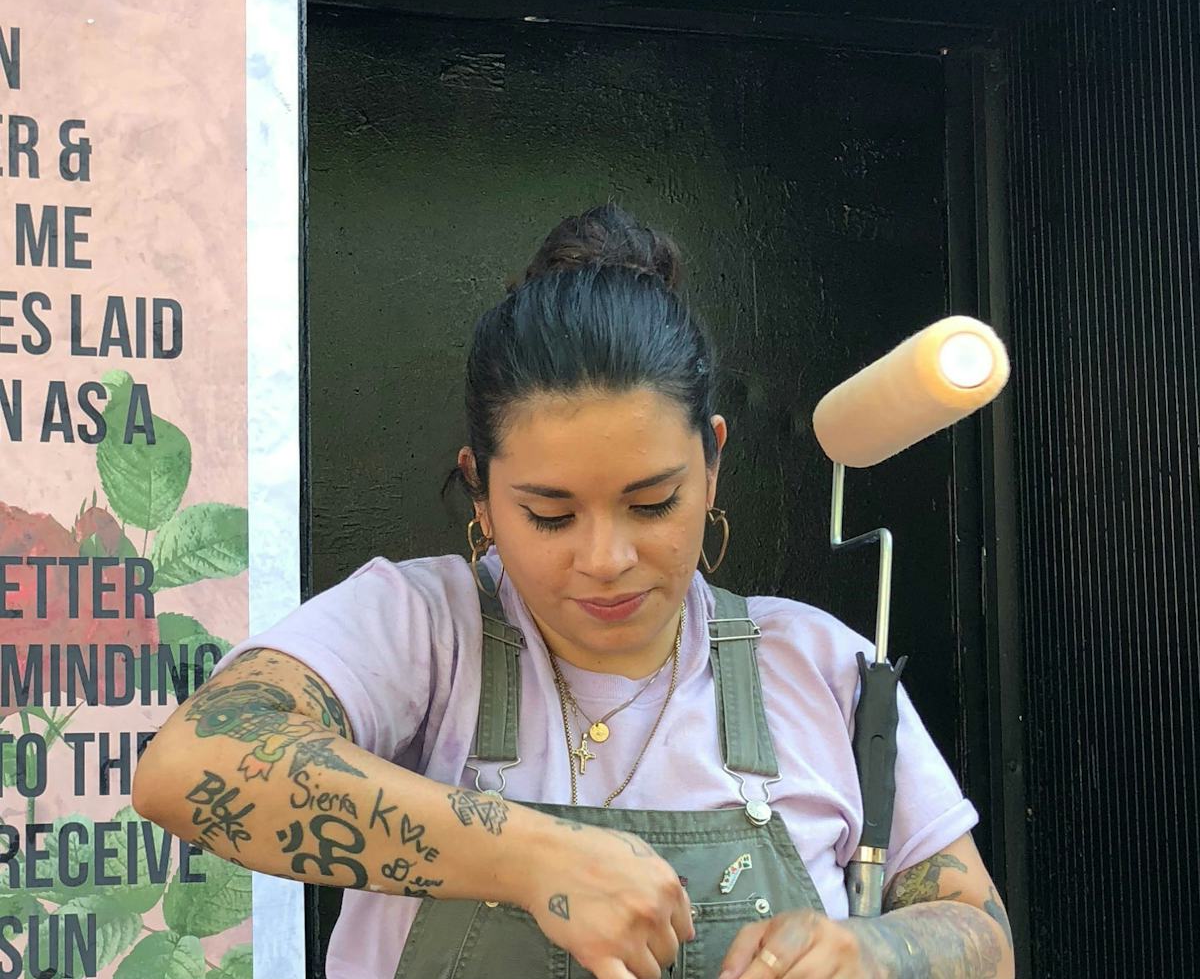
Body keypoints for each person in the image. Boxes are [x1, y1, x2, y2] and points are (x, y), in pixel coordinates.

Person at [133, 204, 1014, 979]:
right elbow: (192, 764)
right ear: (480, 488)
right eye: (550, 514)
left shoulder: (819, 665)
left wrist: (878, 954)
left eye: (652, 502)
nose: (606, 558)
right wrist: (531, 858)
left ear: (712, 460)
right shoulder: (425, 631)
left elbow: (981, 933)